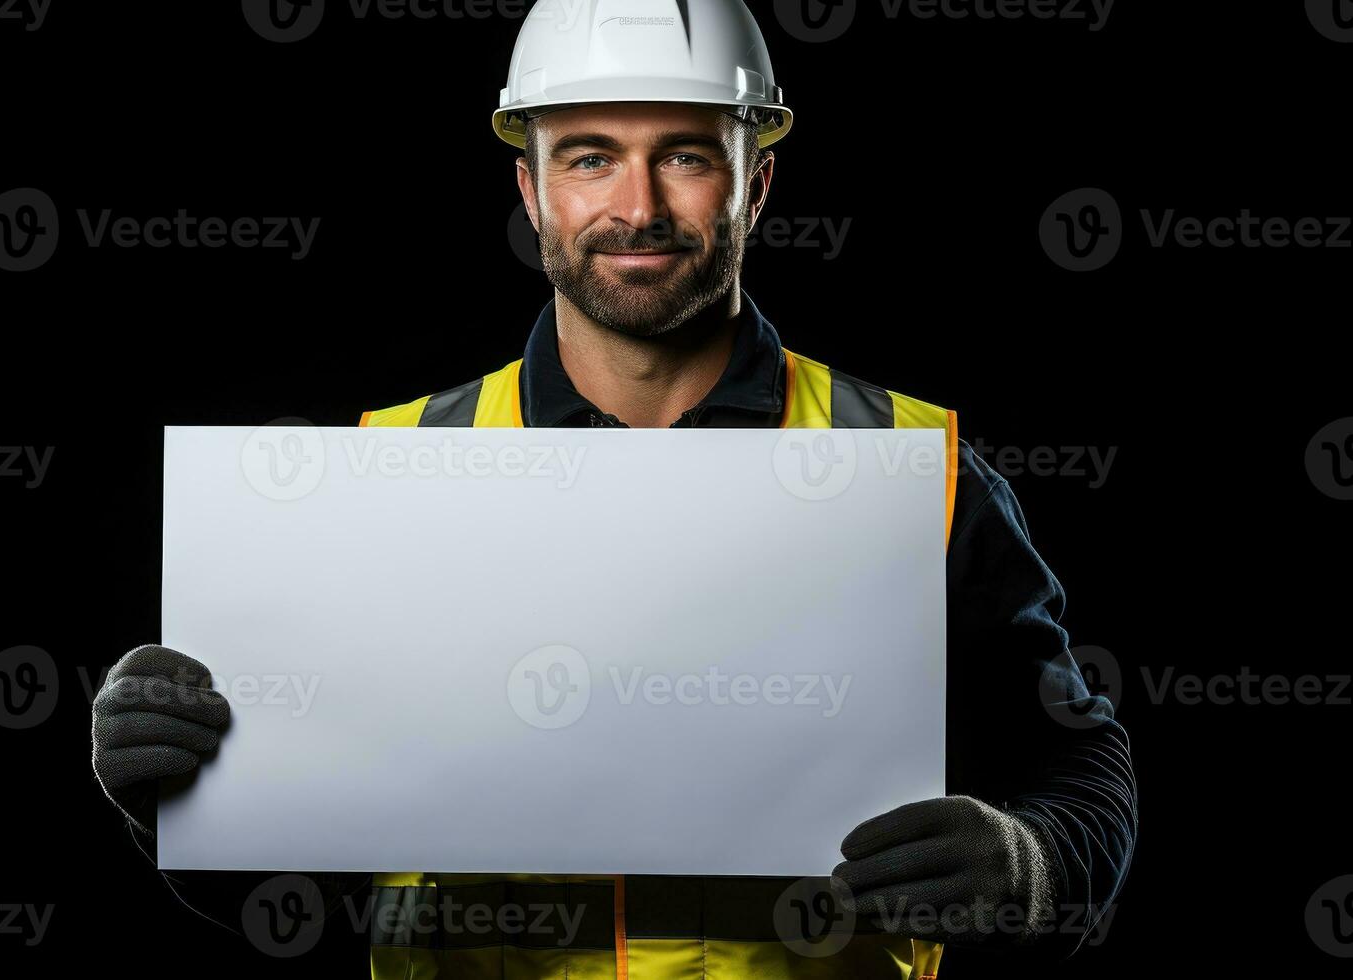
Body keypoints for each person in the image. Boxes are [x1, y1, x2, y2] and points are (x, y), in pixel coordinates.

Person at [92, 2, 1136, 976]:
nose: (637, 209)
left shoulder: (917, 466)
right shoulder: (391, 470)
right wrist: (182, 794)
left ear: (755, 183)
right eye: (592, 158)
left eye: (683, 156)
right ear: (534, 191)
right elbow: (296, 882)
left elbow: (1079, 763)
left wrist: (1025, 861)